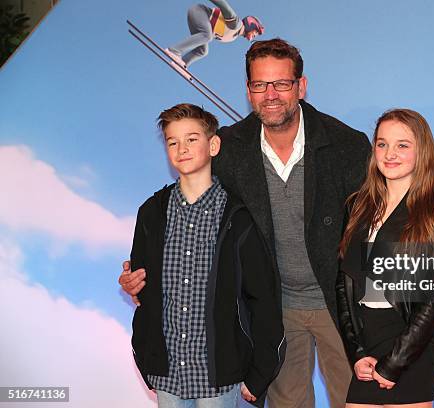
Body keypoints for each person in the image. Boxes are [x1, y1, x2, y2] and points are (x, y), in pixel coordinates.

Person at [121, 38, 372, 407]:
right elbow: (196, 219)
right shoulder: (228, 149)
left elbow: (379, 224)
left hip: (340, 303)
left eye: (281, 83)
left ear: (300, 87)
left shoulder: (348, 146)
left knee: (356, 400)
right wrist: (144, 276)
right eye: (259, 85)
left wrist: (422, 283)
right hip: (275, 309)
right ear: (249, 92)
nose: (270, 94)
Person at [129, 103, 284, 408]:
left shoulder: (238, 217)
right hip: (167, 373)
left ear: (213, 145)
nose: (181, 148)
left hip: (219, 376)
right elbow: (142, 286)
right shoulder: (151, 213)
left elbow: (263, 298)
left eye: (192, 139)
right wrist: (132, 285)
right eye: (173, 142)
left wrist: (259, 373)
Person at [336, 109, 434, 407]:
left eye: (402, 145)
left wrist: (396, 362)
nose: (390, 153)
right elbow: (344, 283)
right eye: (382, 144)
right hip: (368, 340)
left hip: (413, 345)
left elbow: (433, 298)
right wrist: (357, 352)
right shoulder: (358, 207)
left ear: (422, 151)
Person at [163, 0, 264, 79]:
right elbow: (224, 6)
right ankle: (174, 50)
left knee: (202, 51)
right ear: (251, 24)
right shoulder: (236, 24)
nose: (252, 37)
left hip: (200, 20)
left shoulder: (234, 35)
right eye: (255, 33)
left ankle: (181, 63)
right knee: (207, 36)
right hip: (199, 12)